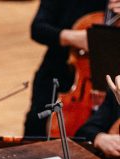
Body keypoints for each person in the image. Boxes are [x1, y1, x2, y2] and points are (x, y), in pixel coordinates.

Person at [22, 0, 119, 138]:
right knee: (36, 129)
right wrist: (75, 37)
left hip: (112, 85)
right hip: (60, 73)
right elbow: (37, 29)